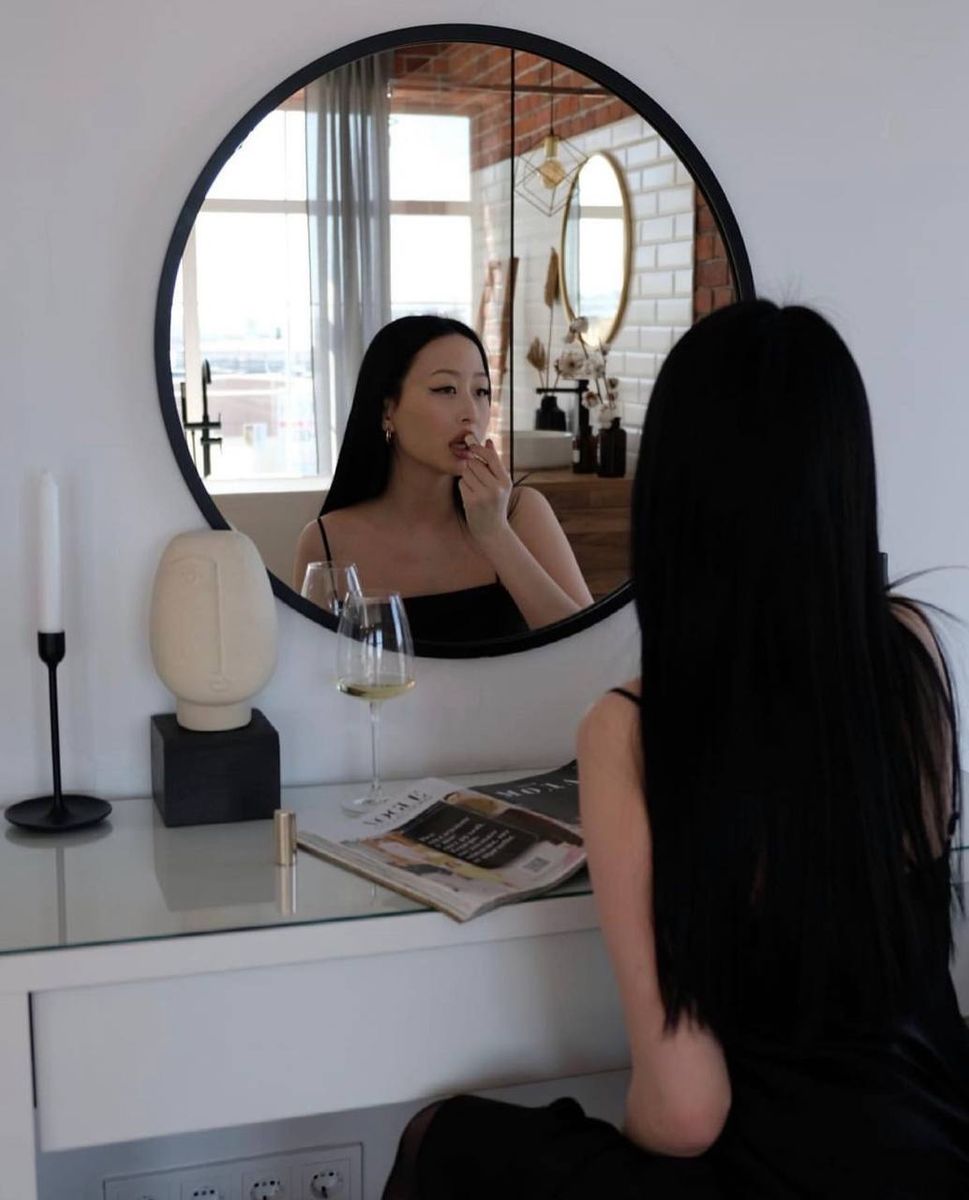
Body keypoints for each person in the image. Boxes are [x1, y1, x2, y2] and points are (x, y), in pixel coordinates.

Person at [381, 301, 969, 1198]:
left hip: (773, 1175)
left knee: (442, 1139)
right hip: (940, 1145)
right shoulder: (910, 651)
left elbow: (685, 1117)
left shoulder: (629, 729)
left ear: (676, 497)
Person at [292, 315, 593, 642]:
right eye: (446, 389)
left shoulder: (519, 512)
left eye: (481, 391)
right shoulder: (325, 541)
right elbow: (314, 665)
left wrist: (495, 533)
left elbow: (590, 650)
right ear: (388, 410)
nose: (471, 412)